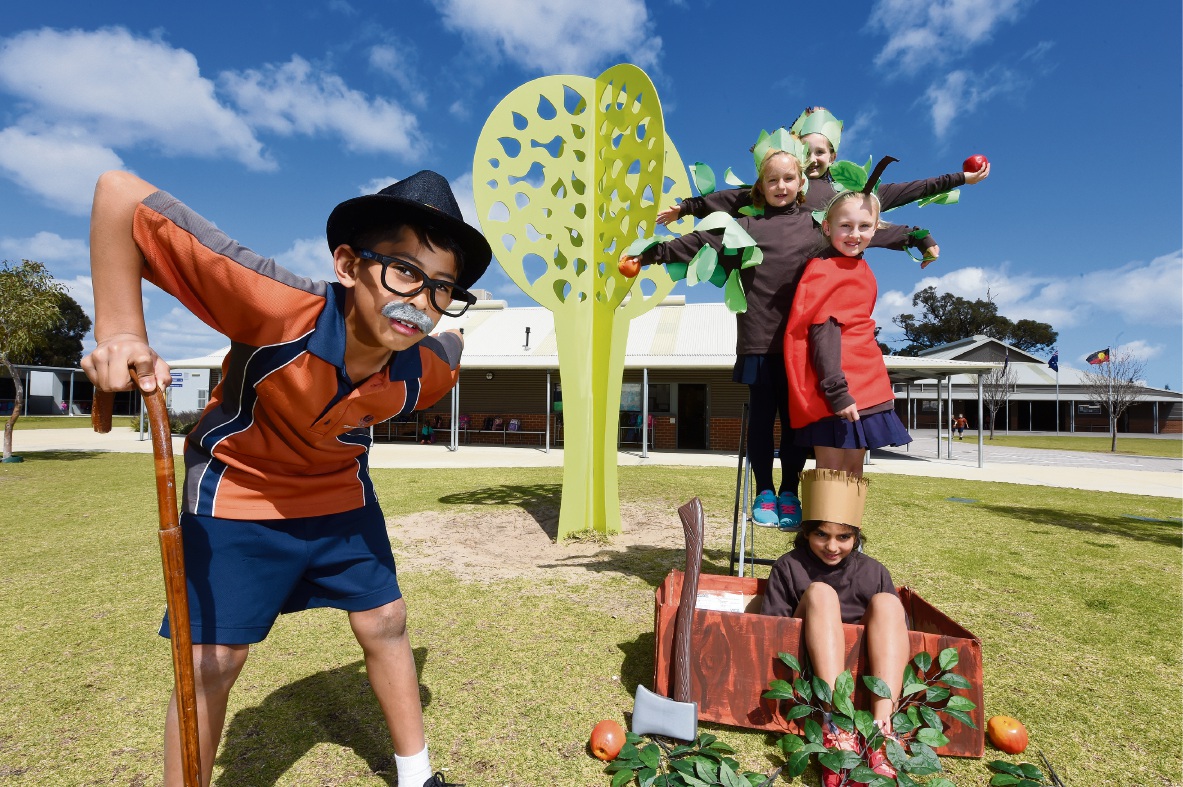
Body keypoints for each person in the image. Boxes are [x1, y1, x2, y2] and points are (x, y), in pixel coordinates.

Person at [81, 168, 488, 787]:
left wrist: (454, 331)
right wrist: (120, 330)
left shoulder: (421, 371)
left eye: (442, 288)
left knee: (386, 622)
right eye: (405, 271)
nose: (421, 302)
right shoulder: (276, 306)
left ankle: (418, 777)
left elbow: (450, 348)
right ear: (347, 265)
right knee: (213, 661)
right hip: (237, 491)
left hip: (341, 499)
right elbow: (118, 194)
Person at [620, 143, 815, 530]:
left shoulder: (816, 226)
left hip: (802, 344)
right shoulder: (746, 227)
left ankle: (790, 492)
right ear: (760, 186)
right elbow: (698, 243)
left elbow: (860, 229)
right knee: (762, 421)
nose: (780, 186)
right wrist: (650, 255)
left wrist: (914, 238)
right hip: (760, 341)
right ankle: (764, 491)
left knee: (797, 424)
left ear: (801, 182)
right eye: (772, 180)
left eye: (788, 178)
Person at [656, 106, 991, 267]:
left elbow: (910, 192)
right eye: (806, 150)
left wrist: (960, 179)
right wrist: (686, 207)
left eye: (821, 152)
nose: (813, 158)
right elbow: (732, 198)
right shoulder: (781, 192)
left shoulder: (849, 196)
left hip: (831, 287)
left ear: (833, 156)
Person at [762, 469, 909, 781]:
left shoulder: (874, 571)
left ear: (856, 536)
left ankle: (881, 729)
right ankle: (836, 723)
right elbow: (773, 628)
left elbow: (896, 630)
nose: (832, 547)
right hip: (808, 655)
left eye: (843, 537)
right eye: (822, 535)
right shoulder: (789, 566)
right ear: (806, 532)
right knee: (821, 592)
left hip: (865, 664)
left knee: (887, 601)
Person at [784, 183, 912, 477]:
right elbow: (823, 334)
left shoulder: (859, 268)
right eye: (846, 226)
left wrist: (921, 238)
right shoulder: (825, 271)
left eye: (864, 226)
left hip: (867, 381)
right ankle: (825, 515)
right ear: (827, 228)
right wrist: (838, 393)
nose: (855, 234)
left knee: (853, 470)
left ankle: (849, 514)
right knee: (831, 472)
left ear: (876, 229)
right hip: (838, 388)